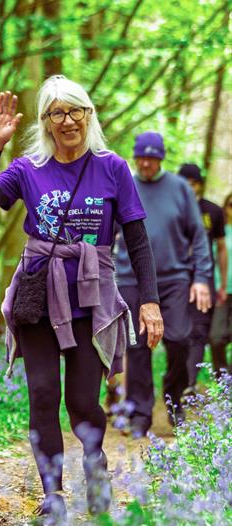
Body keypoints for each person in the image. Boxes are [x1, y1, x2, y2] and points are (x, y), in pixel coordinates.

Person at [0, 76, 162, 520]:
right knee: (41, 394)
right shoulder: (28, 168)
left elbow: (136, 238)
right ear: (46, 121)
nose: (68, 120)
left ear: (88, 115)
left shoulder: (112, 167)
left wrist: (148, 301)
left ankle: (96, 470)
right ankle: (52, 493)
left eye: (76, 110)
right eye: (58, 112)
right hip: (38, 294)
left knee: (81, 401)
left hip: (92, 300)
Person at [114, 132, 212, 436]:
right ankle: (140, 415)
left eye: (152, 157)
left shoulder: (180, 189)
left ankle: (174, 398)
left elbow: (198, 237)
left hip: (174, 278)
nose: (145, 163)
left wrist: (202, 278)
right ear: (134, 156)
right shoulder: (124, 184)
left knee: (181, 339)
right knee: (138, 347)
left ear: (161, 158)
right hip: (131, 277)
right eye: (141, 156)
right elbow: (106, 231)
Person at [178, 163, 227, 389]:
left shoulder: (213, 211)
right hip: (175, 278)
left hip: (204, 278)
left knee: (199, 330)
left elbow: (221, 247)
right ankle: (176, 380)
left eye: (194, 184)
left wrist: (222, 283)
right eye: (185, 184)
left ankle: (189, 383)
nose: (190, 189)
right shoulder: (171, 209)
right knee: (179, 330)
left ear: (199, 185)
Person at [209, 192, 232, 377]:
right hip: (222, 291)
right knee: (216, 337)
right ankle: (222, 378)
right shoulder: (220, 231)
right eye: (231, 204)